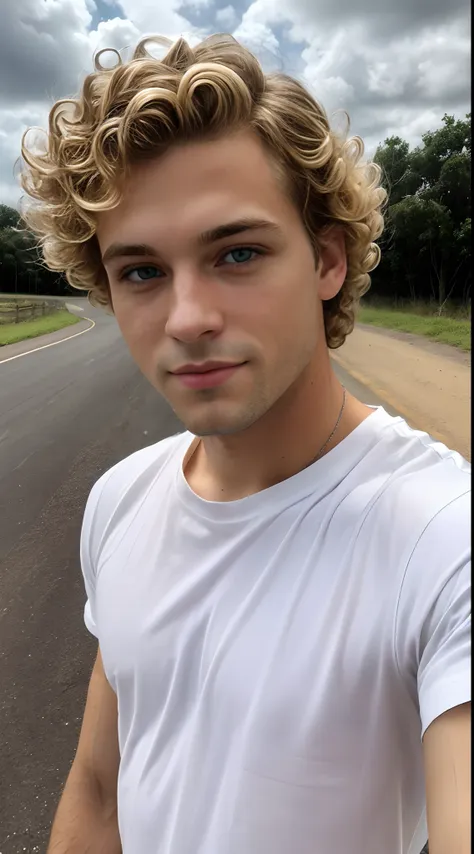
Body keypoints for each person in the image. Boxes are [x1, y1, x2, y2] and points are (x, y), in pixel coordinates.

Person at [21, 34, 470, 854]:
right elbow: (99, 791)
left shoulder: (444, 538)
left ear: (327, 259)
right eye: (143, 272)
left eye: (238, 253)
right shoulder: (119, 500)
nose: (187, 318)